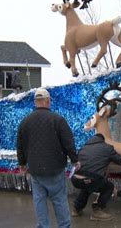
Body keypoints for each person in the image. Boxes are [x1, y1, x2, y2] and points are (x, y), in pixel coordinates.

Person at [17, 88, 80, 228]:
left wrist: (22, 164)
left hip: (35, 169)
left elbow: (20, 145)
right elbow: (68, 143)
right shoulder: (57, 120)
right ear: (47, 101)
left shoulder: (25, 122)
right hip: (55, 169)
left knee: (39, 201)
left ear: (35, 102)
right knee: (59, 200)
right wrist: (75, 160)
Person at [70, 133, 121, 221]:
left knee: (87, 185)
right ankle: (97, 210)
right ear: (102, 140)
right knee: (109, 187)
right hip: (92, 179)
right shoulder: (106, 148)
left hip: (75, 179)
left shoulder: (84, 148)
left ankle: (76, 208)